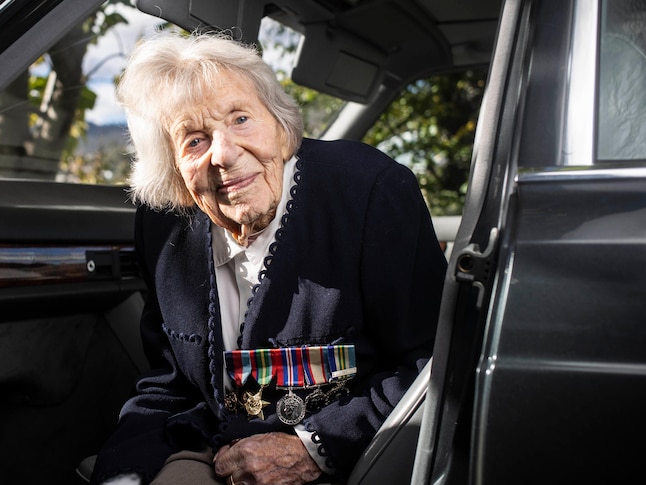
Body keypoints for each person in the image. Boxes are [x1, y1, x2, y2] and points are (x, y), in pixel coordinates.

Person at [90, 31, 446, 485]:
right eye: (194, 141)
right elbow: (171, 382)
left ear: (281, 126)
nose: (224, 153)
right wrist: (125, 473)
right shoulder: (163, 226)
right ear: (174, 173)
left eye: (240, 118)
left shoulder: (370, 191)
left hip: (350, 456)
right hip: (209, 443)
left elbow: (433, 362)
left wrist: (314, 447)